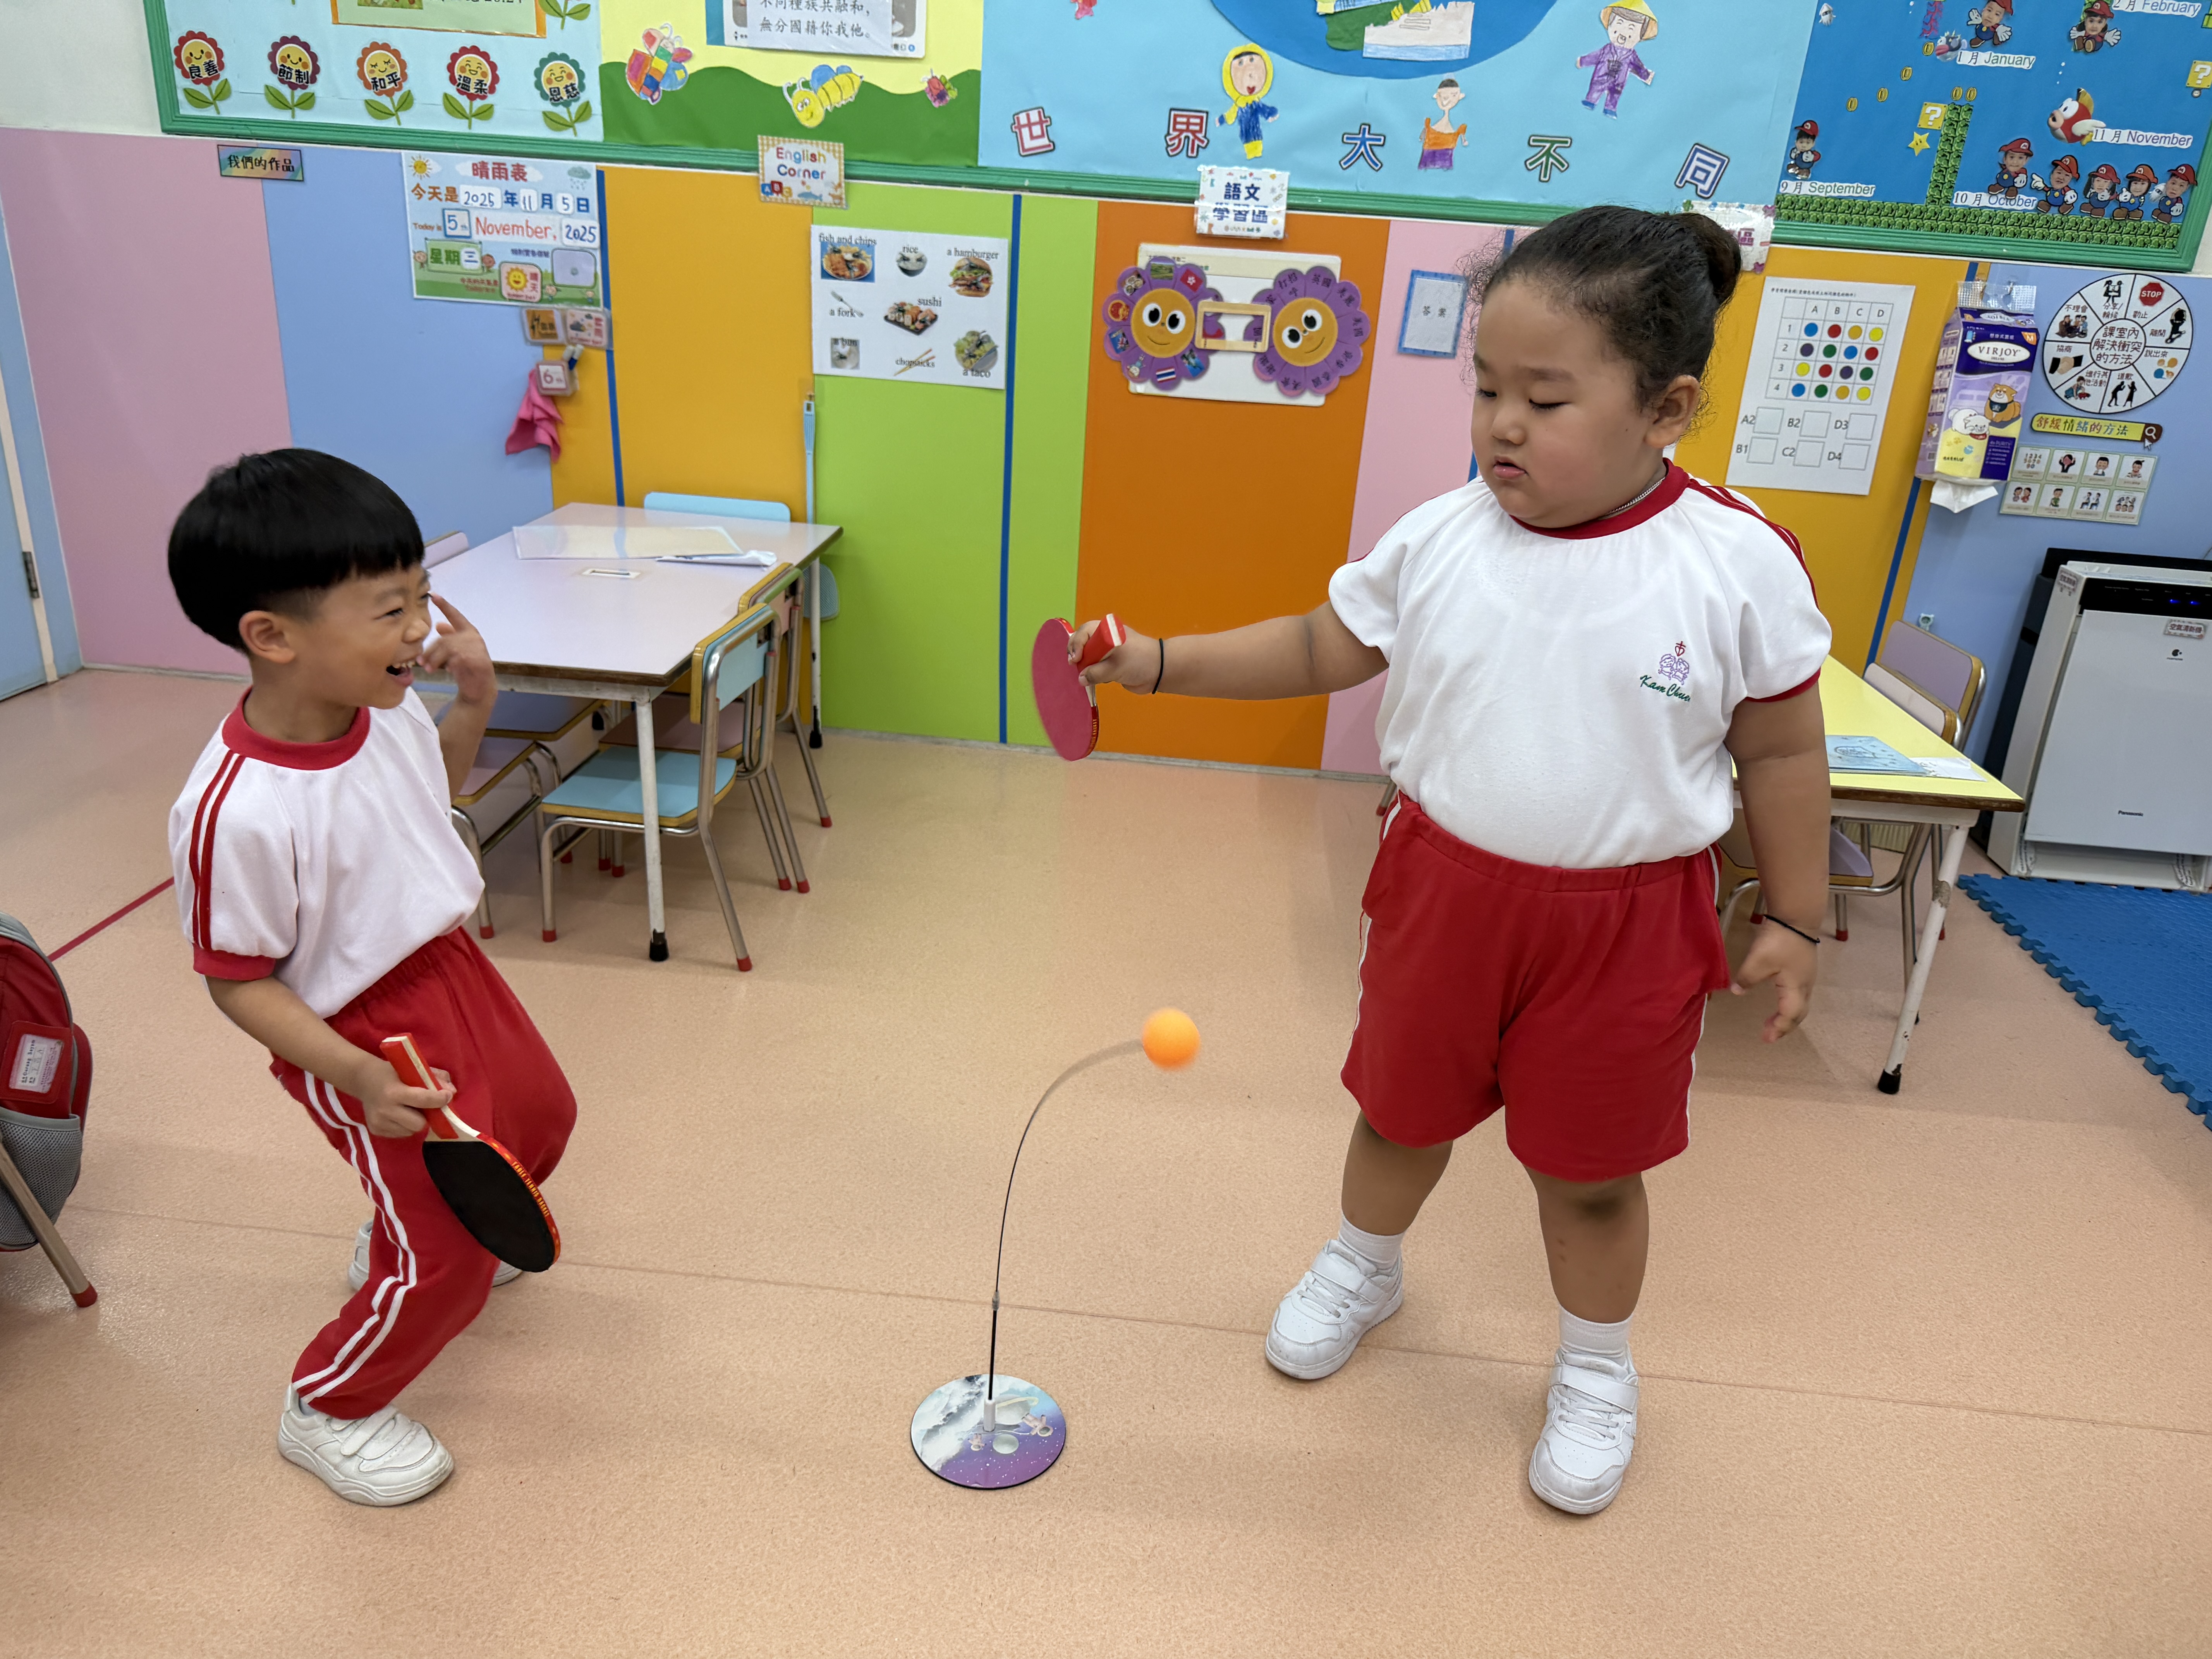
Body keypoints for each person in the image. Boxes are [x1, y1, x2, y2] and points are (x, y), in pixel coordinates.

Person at [1071, 206, 1830, 1516]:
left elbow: (1783, 749)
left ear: (1667, 409)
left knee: (1591, 1174)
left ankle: (1595, 1365)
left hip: (1627, 925)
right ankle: (1365, 1265)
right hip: (1443, 893)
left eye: (1546, 397)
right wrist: (1154, 662)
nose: (1501, 426)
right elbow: (1320, 645)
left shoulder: (1736, 562)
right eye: (1486, 389)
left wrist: (1800, 917)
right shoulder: (1443, 536)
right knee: (1397, 1113)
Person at [165, 449, 577, 1507]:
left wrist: (473, 703)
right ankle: (329, 1405)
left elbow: (425, 802)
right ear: (274, 636)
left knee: (543, 1118)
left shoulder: (383, 708)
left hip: (450, 964)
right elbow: (237, 982)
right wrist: (354, 1073)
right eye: (392, 609)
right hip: (359, 1029)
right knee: (446, 1260)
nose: (420, 629)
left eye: (422, 597)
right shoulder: (236, 810)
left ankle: (401, 1224)